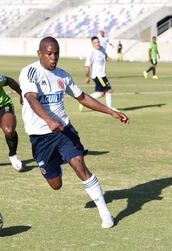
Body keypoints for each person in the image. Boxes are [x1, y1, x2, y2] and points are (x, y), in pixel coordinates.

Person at [19, 37, 129, 228]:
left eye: (56, 54)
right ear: (40, 54)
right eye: (49, 54)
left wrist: (112, 112)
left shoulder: (63, 75)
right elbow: (30, 98)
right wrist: (48, 120)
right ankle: (58, 161)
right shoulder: (30, 72)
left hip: (63, 130)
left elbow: (83, 97)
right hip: (40, 137)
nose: (53, 58)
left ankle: (105, 214)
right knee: (56, 184)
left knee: (79, 165)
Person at [80, 36, 118, 112]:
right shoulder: (91, 52)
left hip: (102, 75)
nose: (97, 44)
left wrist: (108, 58)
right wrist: (87, 77)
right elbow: (86, 67)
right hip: (99, 76)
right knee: (109, 90)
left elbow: (105, 56)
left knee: (100, 93)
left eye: (98, 42)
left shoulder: (102, 48)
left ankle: (83, 102)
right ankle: (110, 108)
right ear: (92, 44)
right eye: (95, 43)